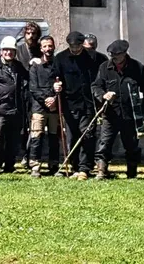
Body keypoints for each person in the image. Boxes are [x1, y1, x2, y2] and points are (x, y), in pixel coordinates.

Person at [92, 39, 144, 180]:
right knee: (104, 143)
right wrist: (103, 95)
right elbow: (96, 86)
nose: (113, 57)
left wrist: (143, 111)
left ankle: (132, 173)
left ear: (124, 53)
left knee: (131, 145)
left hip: (130, 115)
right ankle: (101, 171)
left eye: (116, 54)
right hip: (110, 114)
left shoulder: (137, 67)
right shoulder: (104, 67)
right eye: (111, 54)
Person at [52, 31, 99, 180]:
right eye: (72, 46)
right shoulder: (60, 58)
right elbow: (53, 77)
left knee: (87, 134)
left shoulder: (92, 57)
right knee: (72, 137)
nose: (75, 49)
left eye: (78, 46)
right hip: (69, 103)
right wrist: (56, 86)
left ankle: (85, 168)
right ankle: (74, 166)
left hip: (88, 103)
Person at [0, 36, 28, 174]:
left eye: (11, 50)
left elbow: (26, 80)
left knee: (13, 140)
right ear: (1, 51)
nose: (9, 53)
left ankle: (10, 165)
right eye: (6, 50)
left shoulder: (18, 66)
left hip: (15, 110)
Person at [28, 35, 60, 178]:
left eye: (50, 46)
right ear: (41, 48)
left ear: (54, 47)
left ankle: (54, 165)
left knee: (54, 137)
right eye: (45, 46)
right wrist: (47, 98)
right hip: (39, 108)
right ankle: (35, 166)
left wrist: (54, 100)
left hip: (54, 108)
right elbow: (33, 89)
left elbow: (60, 85)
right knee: (36, 137)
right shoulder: (35, 66)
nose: (48, 49)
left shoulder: (58, 65)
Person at [15, 21, 42, 170]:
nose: (31, 36)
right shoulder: (18, 50)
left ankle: (32, 156)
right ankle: (23, 154)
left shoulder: (41, 50)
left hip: (36, 94)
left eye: (33, 34)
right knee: (22, 127)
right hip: (21, 93)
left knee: (35, 126)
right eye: (28, 33)